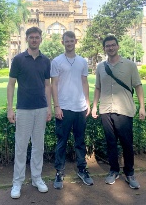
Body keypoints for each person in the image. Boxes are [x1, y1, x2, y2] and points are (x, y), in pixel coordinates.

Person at [92, 35, 146, 189]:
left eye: (113, 45)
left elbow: (138, 86)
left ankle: (129, 173)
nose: (111, 48)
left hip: (124, 110)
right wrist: (95, 106)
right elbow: (97, 88)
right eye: (108, 46)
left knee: (126, 143)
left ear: (118, 46)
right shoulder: (100, 67)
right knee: (110, 143)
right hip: (106, 110)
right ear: (104, 49)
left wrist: (142, 107)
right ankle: (114, 170)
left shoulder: (130, 65)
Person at [7, 26, 52, 199]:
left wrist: (49, 107)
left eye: (37, 37)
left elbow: (47, 85)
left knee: (38, 146)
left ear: (41, 39)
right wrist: (10, 108)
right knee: (21, 147)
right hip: (23, 109)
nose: (34, 40)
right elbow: (11, 84)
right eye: (31, 37)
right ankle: (17, 182)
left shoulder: (45, 61)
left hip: (41, 108)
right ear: (27, 39)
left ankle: (36, 178)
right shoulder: (18, 59)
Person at [51, 31, 93, 189]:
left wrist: (87, 102)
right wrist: (56, 106)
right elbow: (53, 84)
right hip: (64, 108)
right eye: (66, 41)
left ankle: (82, 170)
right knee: (61, 141)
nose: (69, 43)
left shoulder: (82, 61)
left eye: (71, 41)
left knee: (80, 141)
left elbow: (85, 82)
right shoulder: (56, 61)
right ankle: (59, 172)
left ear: (76, 41)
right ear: (62, 42)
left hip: (80, 107)